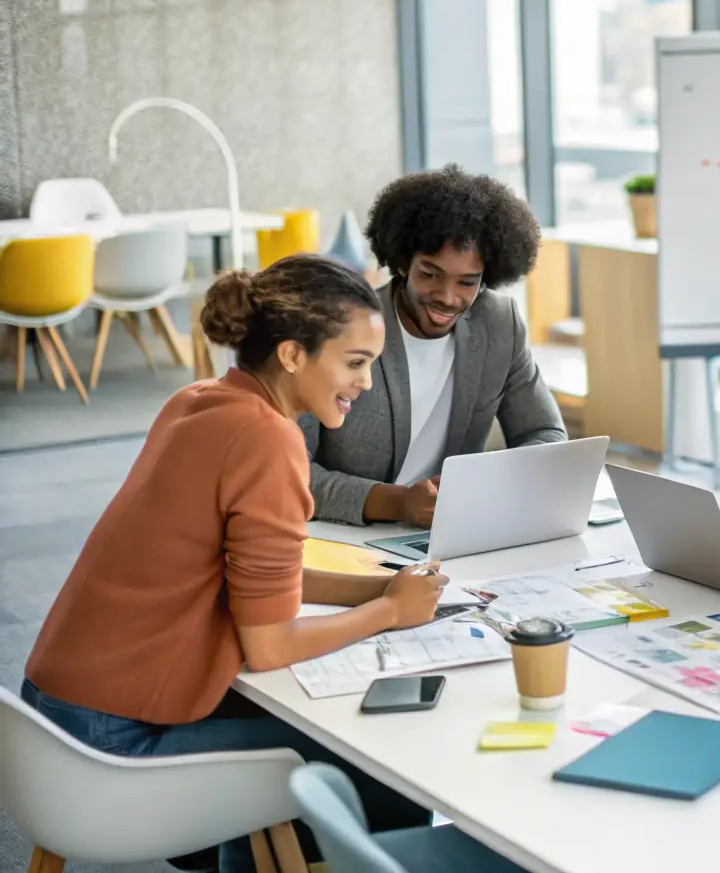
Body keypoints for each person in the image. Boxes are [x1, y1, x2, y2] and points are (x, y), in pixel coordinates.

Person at [21, 256, 525, 871]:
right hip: (114, 753)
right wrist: (390, 613)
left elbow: (244, 577)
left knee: (295, 719)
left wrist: (377, 592)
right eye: (355, 363)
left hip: (48, 726)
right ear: (291, 355)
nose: (366, 383)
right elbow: (270, 645)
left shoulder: (197, 400)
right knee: (379, 753)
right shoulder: (269, 440)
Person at [303, 165, 566, 528]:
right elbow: (290, 472)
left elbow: (545, 435)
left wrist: (482, 487)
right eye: (430, 274)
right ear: (402, 262)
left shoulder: (499, 324)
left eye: (467, 282)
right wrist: (397, 504)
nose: (447, 297)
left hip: (449, 531)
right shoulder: (338, 327)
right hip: (344, 534)